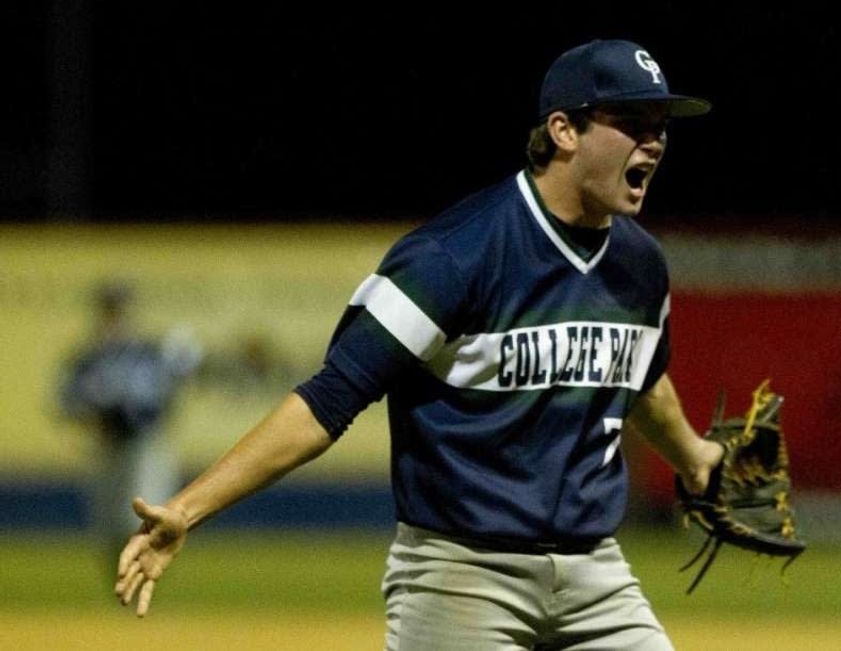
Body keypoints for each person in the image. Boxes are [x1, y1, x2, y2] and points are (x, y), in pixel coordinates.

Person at [115, 38, 723, 650]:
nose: (654, 142)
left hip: (597, 574)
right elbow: (329, 398)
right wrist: (187, 509)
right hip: (462, 576)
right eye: (632, 123)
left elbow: (639, 376)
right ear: (563, 130)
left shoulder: (640, 267)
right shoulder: (453, 257)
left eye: (661, 127)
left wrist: (694, 458)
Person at [60, 281, 200, 574]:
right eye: (110, 309)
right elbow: (66, 403)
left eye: (120, 308)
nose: (115, 316)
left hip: (144, 444)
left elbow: (170, 393)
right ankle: (121, 582)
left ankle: (142, 577)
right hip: (106, 443)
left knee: (139, 520)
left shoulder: (148, 353)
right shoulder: (88, 358)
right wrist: (96, 404)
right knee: (109, 526)